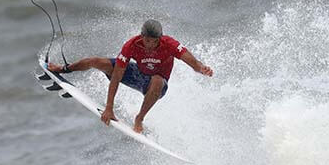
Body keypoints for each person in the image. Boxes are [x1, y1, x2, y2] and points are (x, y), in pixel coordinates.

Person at [48, 19, 213, 133]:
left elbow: (189, 59)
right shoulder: (131, 45)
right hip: (137, 75)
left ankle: (139, 119)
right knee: (96, 61)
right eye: (146, 40)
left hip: (157, 86)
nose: (149, 44)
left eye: (153, 41)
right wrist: (109, 107)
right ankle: (63, 69)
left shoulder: (169, 44)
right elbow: (118, 75)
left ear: (159, 39)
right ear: (142, 36)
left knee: (156, 80)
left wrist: (200, 68)